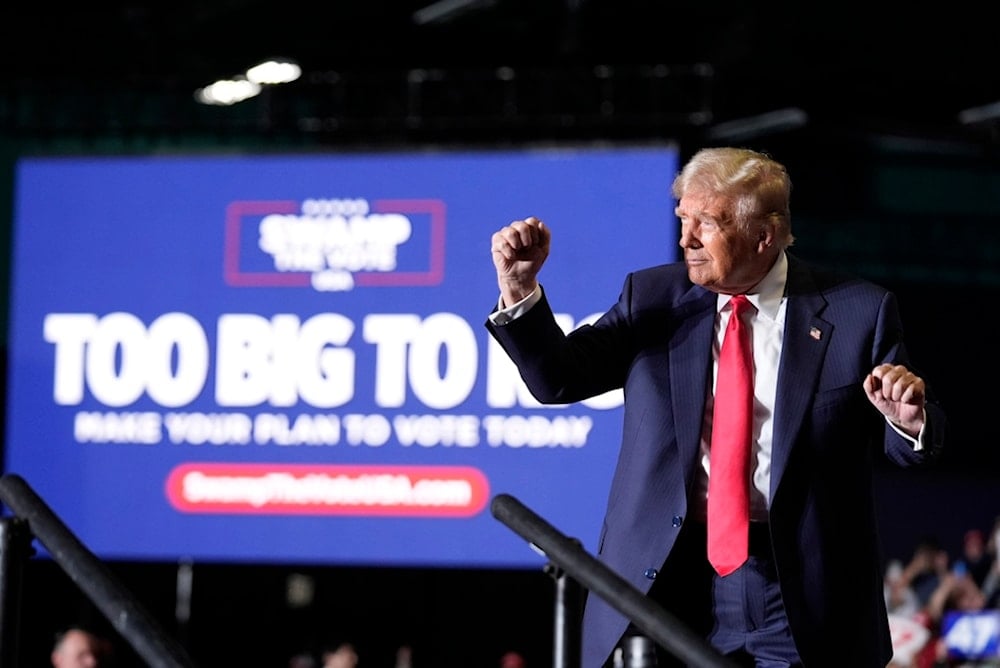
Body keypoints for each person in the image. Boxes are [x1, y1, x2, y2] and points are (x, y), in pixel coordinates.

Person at [486, 146, 946, 668]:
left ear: (763, 235)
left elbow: (909, 444)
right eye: (683, 219)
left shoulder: (858, 311)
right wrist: (519, 289)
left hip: (796, 594)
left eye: (705, 224)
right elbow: (558, 379)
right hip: (666, 578)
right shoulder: (653, 297)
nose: (685, 239)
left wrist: (909, 423)